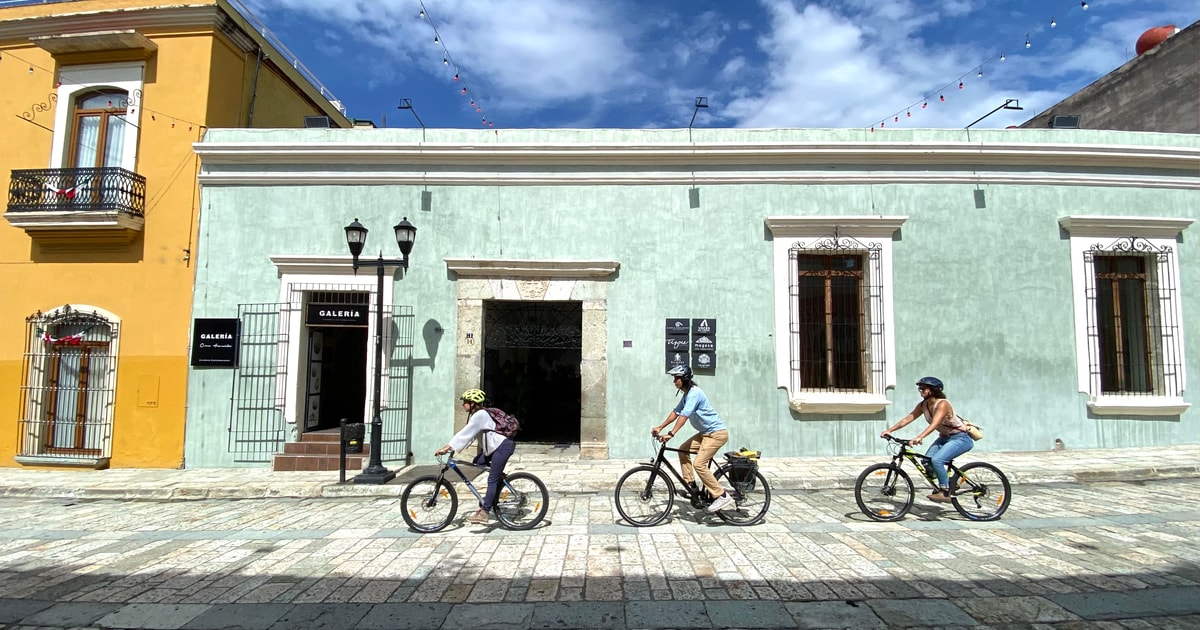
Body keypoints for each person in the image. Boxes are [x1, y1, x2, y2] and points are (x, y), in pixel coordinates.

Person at [651, 365, 734, 513]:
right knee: (683, 450)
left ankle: (722, 495)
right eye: (674, 378)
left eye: (676, 378)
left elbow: (684, 415)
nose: (674, 381)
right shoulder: (687, 394)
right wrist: (660, 427)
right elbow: (676, 412)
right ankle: (692, 486)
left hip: (716, 434)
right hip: (705, 433)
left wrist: (671, 434)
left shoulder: (695, 393)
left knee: (699, 464)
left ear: (685, 379)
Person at [881, 376, 973, 503]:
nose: (920, 391)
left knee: (937, 460)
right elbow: (908, 418)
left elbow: (935, 423)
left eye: (923, 388)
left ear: (934, 390)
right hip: (944, 438)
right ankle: (947, 483)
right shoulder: (923, 405)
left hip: (960, 438)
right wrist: (890, 430)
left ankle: (945, 492)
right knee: (926, 461)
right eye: (919, 388)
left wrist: (919, 437)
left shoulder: (943, 404)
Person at [435, 388, 515, 524]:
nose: (463, 405)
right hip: (496, 448)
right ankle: (498, 479)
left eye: (465, 402)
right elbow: (470, 436)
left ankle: (484, 513)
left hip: (502, 447)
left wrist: (446, 448)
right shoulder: (477, 416)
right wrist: (454, 448)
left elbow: (464, 433)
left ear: (472, 403)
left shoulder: (480, 415)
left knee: (492, 480)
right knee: (478, 461)